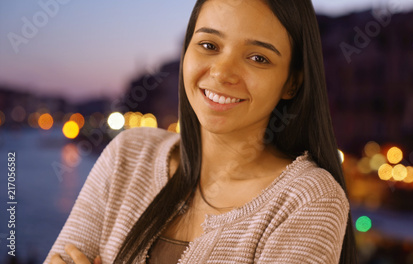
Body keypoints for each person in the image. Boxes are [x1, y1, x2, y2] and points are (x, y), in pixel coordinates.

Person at [46, 0, 357, 263]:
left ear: (292, 82)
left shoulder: (309, 201)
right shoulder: (129, 154)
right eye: (209, 45)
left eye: (258, 58)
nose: (222, 72)